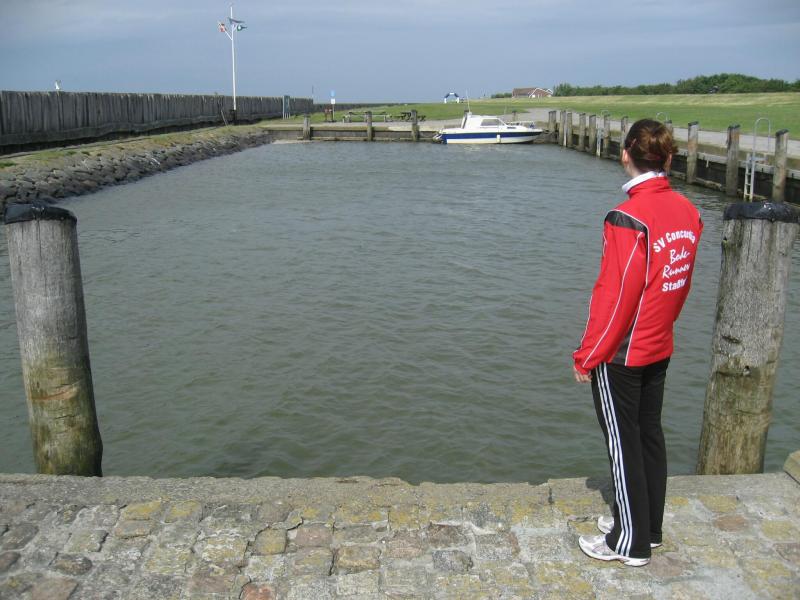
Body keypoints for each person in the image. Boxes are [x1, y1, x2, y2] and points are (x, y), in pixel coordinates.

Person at [572, 119, 703, 567]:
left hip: (623, 353)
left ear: (625, 154)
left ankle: (628, 543)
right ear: (668, 157)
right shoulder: (688, 211)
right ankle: (649, 528)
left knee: (622, 442)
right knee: (649, 435)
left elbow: (615, 297)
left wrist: (588, 355)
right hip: (659, 343)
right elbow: (677, 286)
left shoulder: (627, 217)